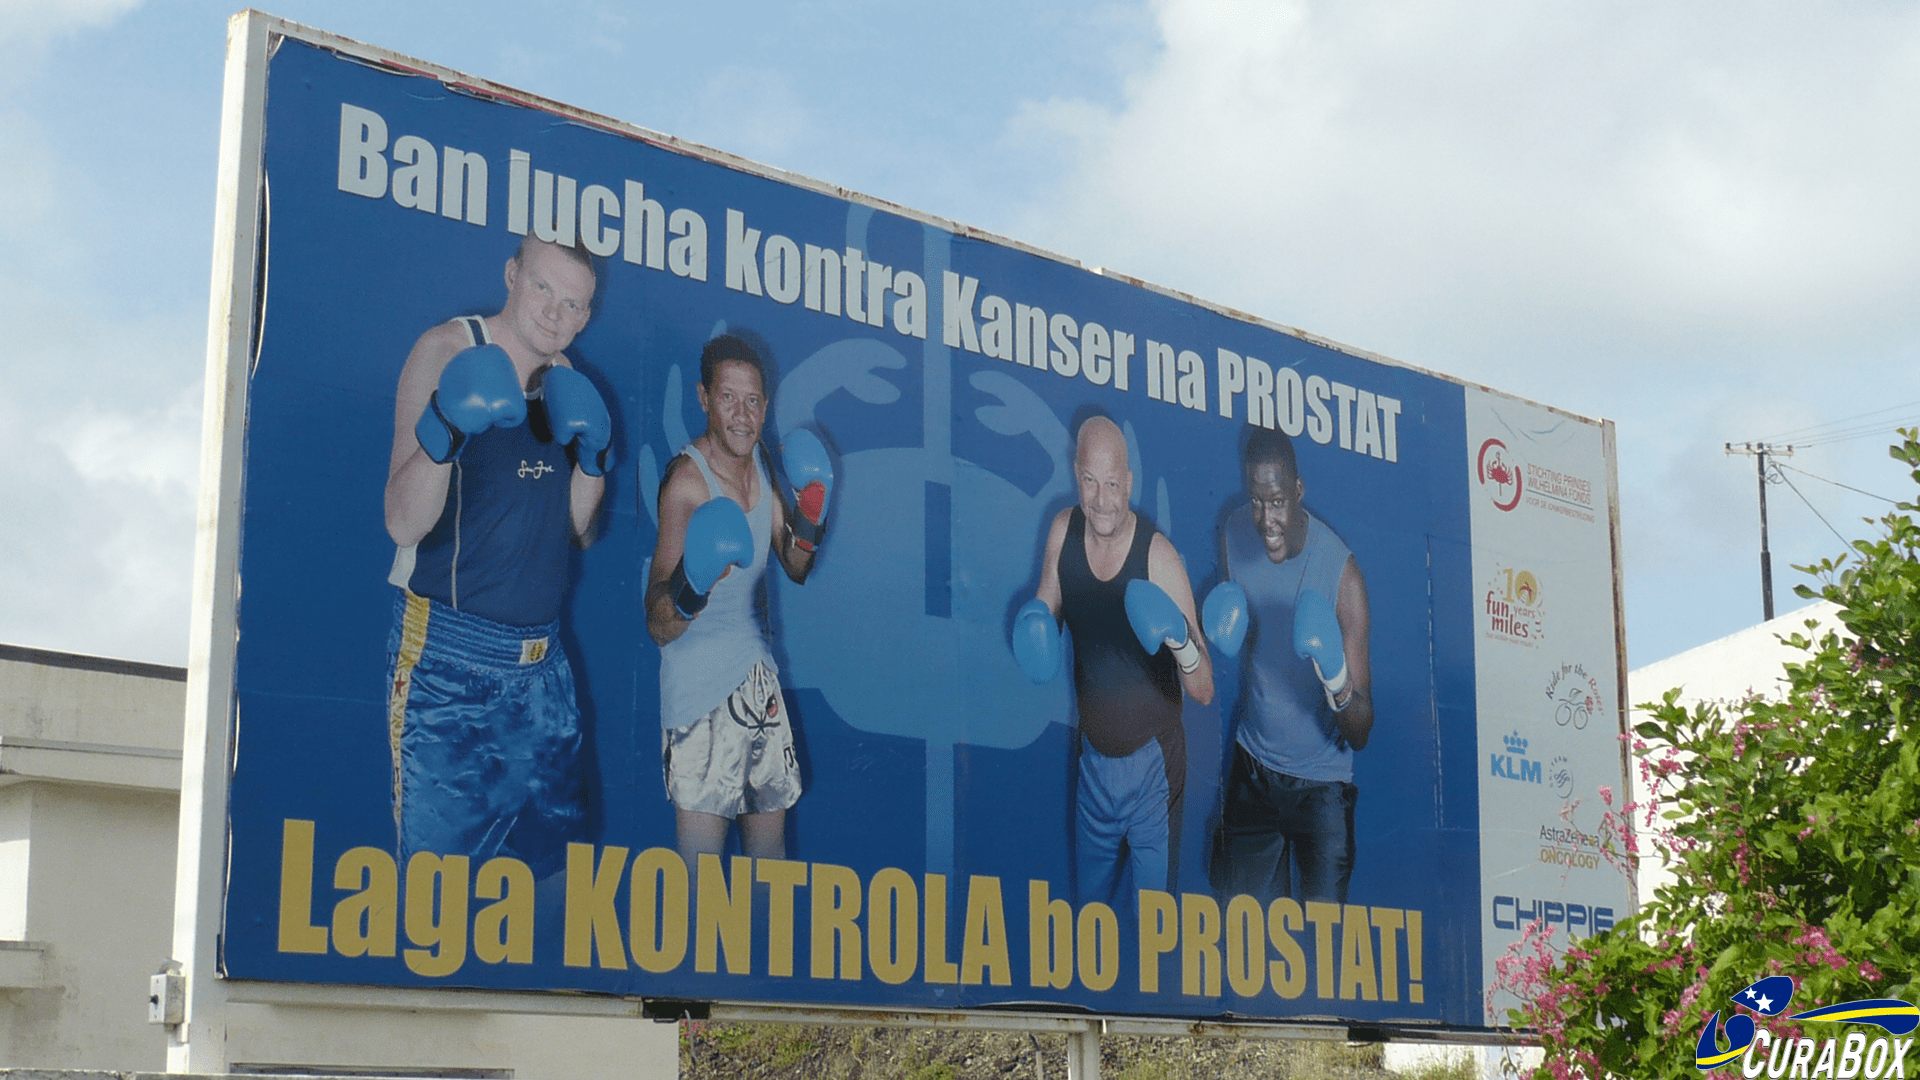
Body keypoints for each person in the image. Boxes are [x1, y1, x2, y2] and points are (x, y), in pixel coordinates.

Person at [382, 236, 614, 875]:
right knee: (439, 895)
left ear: (585, 315)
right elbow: (401, 522)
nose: (555, 313)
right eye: (543, 288)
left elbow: (577, 530)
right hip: (449, 664)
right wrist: (445, 429)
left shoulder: (568, 381)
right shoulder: (446, 352)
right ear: (512, 275)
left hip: (545, 670)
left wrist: (593, 462)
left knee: (556, 884)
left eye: (573, 304)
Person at [646, 333, 832, 863]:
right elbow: (658, 624)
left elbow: (795, 566)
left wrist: (810, 516)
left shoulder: (762, 465)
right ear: (704, 398)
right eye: (728, 398)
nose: (742, 415)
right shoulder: (688, 484)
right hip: (700, 694)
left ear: (765, 406)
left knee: (770, 867)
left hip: (758, 681)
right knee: (699, 877)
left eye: (752, 401)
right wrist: (693, 582)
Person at [1015, 416, 1213, 904]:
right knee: (1090, 917)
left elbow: (1204, 688)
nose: (1101, 500)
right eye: (1090, 481)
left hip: (1153, 771)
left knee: (1155, 922)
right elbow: (1046, 605)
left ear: (1128, 482)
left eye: (1111, 484)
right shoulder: (1063, 532)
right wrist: (1037, 624)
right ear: (1076, 473)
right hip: (1094, 765)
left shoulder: (1159, 558)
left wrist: (1181, 639)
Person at [1208, 427, 1374, 904]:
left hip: (1322, 788)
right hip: (1253, 769)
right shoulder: (1233, 532)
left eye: (1278, 502)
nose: (1266, 520)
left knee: (1324, 945)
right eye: (1257, 502)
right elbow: (1252, 639)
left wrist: (1334, 674)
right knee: (1243, 936)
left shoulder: (1342, 576)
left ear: (1298, 491)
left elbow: (1361, 731)